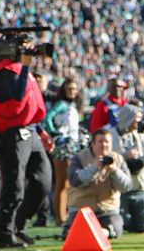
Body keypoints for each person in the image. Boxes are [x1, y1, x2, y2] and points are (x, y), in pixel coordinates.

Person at [0, 38, 53, 248]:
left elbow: (30, 106)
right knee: (14, 185)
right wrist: (25, 67)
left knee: (43, 182)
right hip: (12, 133)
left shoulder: (22, 69)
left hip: (31, 130)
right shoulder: (4, 70)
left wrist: (41, 131)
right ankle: (5, 234)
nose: (30, 50)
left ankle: (19, 225)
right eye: (24, 46)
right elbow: (16, 96)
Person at [67, 128, 132, 239]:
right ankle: (94, 232)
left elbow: (127, 186)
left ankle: (103, 232)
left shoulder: (118, 159)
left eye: (107, 142)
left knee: (115, 230)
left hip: (108, 209)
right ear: (92, 144)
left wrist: (115, 171)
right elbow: (75, 181)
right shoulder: (79, 157)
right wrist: (94, 168)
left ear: (111, 144)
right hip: (82, 209)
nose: (104, 145)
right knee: (78, 234)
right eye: (100, 141)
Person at [43, 78, 83, 226]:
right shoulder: (61, 104)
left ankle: (64, 214)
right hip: (63, 146)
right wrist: (54, 133)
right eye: (69, 89)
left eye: (74, 89)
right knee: (62, 183)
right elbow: (47, 118)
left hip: (72, 146)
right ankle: (60, 217)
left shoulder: (73, 105)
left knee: (68, 183)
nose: (72, 92)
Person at [112, 103, 144, 233]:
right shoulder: (112, 135)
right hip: (121, 188)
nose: (138, 124)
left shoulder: (143, 137)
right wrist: (125, 156)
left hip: (141, 186)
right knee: (122, 224)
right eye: (135, 121)